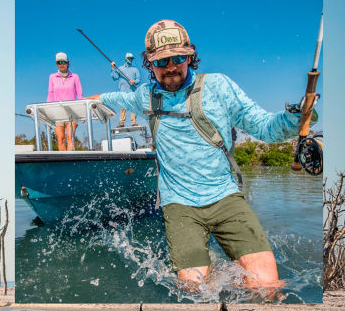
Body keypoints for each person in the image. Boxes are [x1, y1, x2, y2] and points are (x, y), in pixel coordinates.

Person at [88, 20, 314, 297]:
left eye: (178, 58)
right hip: (179, 204)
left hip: (225, 197)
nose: (171, 66)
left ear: (190, 56)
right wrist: (90, 99)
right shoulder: (144, 96)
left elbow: (264, 126)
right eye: (162, 61)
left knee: (266, 285)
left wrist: (296, 116)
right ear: (150, 64)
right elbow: (110, 98)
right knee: (193, 291)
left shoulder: (219, 86)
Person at [47, 52, 83, 151]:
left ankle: (70, 162)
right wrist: (48, 113)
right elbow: (50, 94)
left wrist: (83, 111)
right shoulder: (52, 77)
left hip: (72, 112)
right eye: (59, 62)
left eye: (63, 62)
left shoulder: (75, 77)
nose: (61, 64)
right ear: (56, 64)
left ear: (67, 63)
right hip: (57, 112)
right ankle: (63, 163)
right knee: (60, 139)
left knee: (70, 138)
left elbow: (80, 94)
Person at [110, 52, 141, 127]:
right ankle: (121, 123)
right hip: (123, 91)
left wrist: (134, 81)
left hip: (132, 91)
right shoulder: (120, 69)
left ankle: (133, 122)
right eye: (130, 58)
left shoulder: (135, 69)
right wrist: (112, 68)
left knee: (133, 106)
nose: (131, 60)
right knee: (123, 107)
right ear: (126, 59)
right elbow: (115, 77)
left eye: (132, 58)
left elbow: (139, 80)